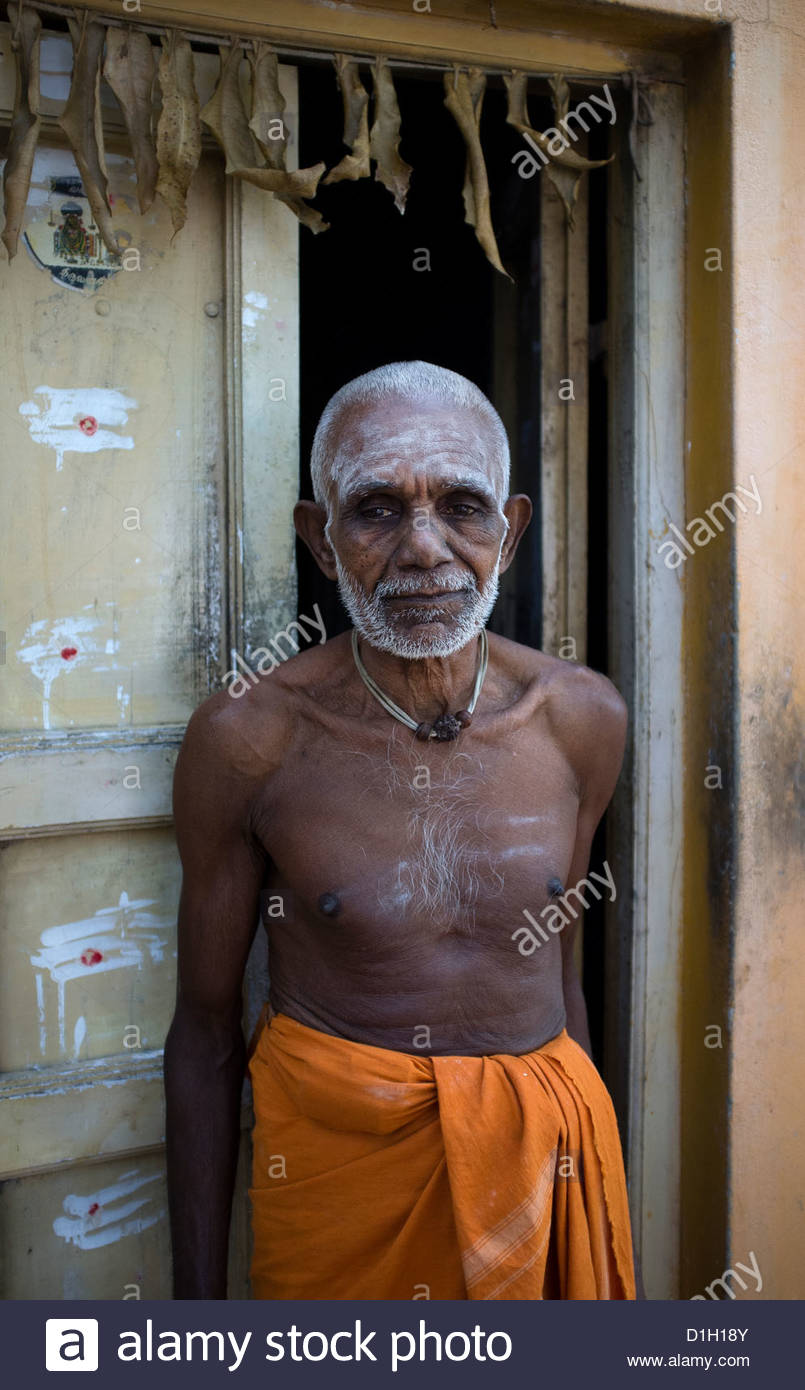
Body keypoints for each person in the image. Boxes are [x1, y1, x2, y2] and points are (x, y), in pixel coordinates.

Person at [164, 360, 636, 1300]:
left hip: (541, 1173)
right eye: (376, 510)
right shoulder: (251, 737)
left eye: (461, 507)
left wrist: (578, 1197)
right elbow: (204, 1036)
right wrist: (195, 1315)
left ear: (511, 531)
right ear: (321, 538)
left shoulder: (579, 718)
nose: (423, 549)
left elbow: (558, 980)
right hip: (341, 1191)